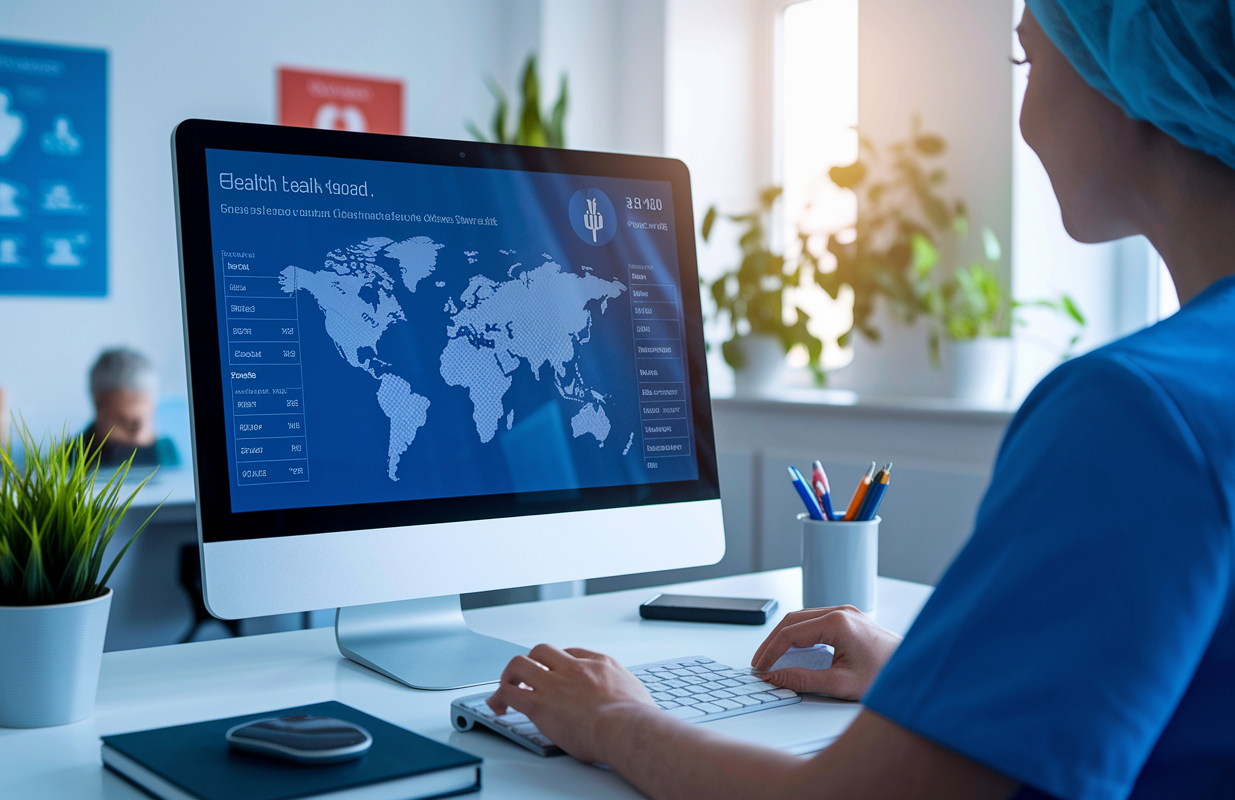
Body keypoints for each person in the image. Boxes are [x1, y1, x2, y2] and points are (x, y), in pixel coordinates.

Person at [485, 2, 1235, 798]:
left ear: (1132, 77)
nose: (1026, 121)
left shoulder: (1134, 414)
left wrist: (612, 721)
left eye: (1028, 63)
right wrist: (930, 684)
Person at [80, 347, 180, 468]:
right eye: (122, 421)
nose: (137, 433)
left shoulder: (165, 451)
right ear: (99, 404)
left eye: (145, 419)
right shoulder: (72, 455)